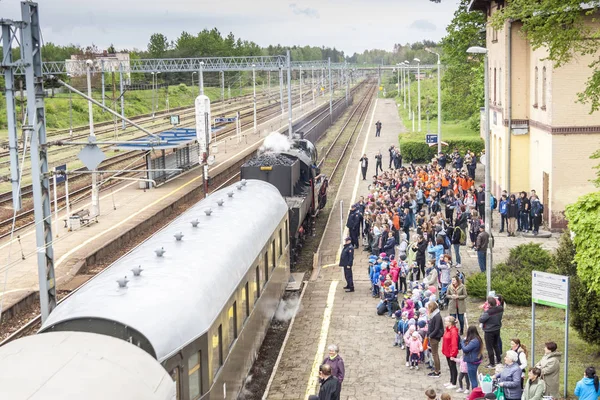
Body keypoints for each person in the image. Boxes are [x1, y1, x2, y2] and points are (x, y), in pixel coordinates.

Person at [479, 296, 504, 368]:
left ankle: (492, 363)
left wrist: (484, 311)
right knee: (496, 345)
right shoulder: (500, 308)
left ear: (489, 304)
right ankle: (499, 360)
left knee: (489, 347)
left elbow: (481, 320)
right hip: (497, 329)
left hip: (489, 331)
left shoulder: (488, 312)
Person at [461, 326, 484, 390]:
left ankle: (474, 393)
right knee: (474, 377)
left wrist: (462, 342)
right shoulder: (478, 338)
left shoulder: (474, 341)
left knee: (473, 379)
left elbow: (465, 349)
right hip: (476, 360)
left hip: (472, 361)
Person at [427, 301, 444, 378]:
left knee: (435, 354)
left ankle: (437, 371)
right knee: (435, 354)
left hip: (435, 337)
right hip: (433, 336)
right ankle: (437, 369)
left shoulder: (437, 316)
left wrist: (431, 335)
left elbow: (436, 328)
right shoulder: (435, 315)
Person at [442, 316, 459, 389]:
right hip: (447, 352)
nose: (445, 323)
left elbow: (454, 343)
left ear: (450, 323)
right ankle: (451, 381)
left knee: (453, 367)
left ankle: (454, 383)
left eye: (446, 321)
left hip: (451, 353)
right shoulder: (447, 330)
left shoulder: (453, 331)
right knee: (450, 367)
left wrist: (453, 354)